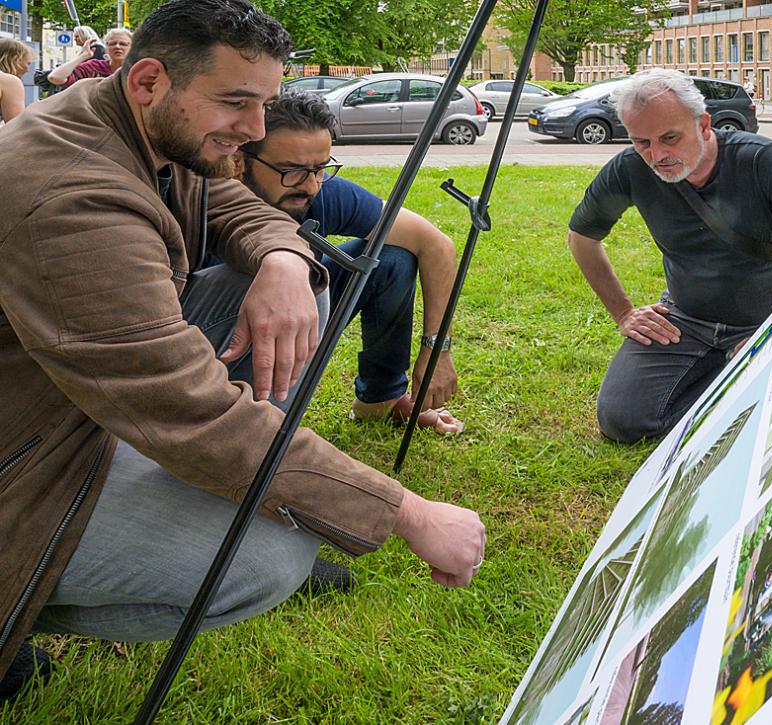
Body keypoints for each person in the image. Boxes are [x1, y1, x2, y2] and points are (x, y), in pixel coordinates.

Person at [0, 0, 484, 704]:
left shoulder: (142, 125)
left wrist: (284, 260)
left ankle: (257, 489)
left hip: (61, 402)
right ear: (148, 81)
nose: (255, 131)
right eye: (236, 102)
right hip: (25, 455)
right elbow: (191, 411)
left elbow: (233, 208)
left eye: (263, 103)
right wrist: (405, 509)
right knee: (266, 559)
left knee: (295, 290)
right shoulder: (71, 195)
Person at [568, 69, 772, 443]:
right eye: (642, 142)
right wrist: (624, 313)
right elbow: (581, 237)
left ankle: (744, 385)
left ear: (703, 124)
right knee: (622, 420)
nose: (658, 155)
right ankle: (735, 389)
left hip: (771, 319)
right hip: (686, 319)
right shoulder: (630, 169)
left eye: (670, 137)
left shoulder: (761, 161)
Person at [230, 90, 463, 433]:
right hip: (227, 329)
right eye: (292, 170)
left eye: (321, 168)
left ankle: (380, 400)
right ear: (240, 161)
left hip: (307, 306)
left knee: (391, 258)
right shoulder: (204, 200)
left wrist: (436, 349)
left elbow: (435, 245)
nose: (310, 185)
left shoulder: (321, 191)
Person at [47, 27, 131, 89]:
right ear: (106, 47)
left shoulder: (139, 69)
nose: (117, 46)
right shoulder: (94, 67)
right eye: (112, 43)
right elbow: (55, 77)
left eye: (123, 44)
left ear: (132, 47)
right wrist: (83, 56)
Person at [0, 38, 33, 122]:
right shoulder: (9, 82)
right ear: (15, 60)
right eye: (28, 63)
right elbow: (16, 125)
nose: (28, 69)